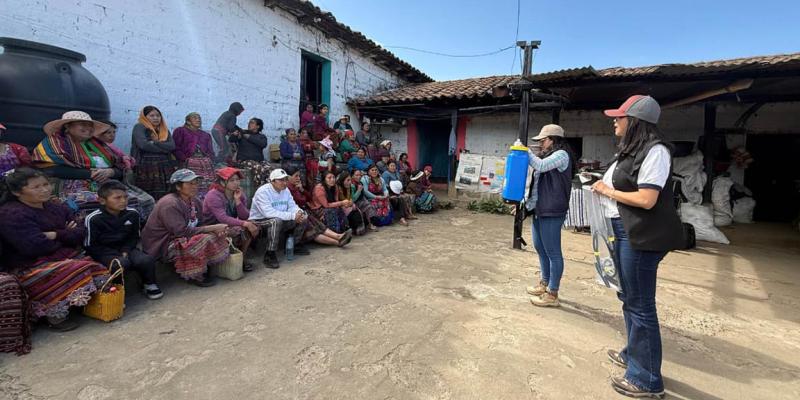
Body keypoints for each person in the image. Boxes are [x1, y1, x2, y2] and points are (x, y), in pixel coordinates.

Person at [592, 95, 683, 399]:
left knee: (641, 304)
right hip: (625, 230)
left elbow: (647, 199)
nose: (614, 121)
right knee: (628, 296)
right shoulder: (631, 151)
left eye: (619, 117)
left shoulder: (655, 151)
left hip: (641, 235)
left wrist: (608, 189)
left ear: (635, 122)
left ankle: (646, 380)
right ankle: (635, 355)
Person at [0, 168, 109, 331]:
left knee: (99, 261)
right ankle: (55, 316)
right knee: (80, 267)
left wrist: (54, 234)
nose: (45, 189)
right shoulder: (11, 214)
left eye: (46, 184)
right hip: (29, 265)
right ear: (17, 192)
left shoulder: (55, 206)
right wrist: (66, 235)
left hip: (60, 255)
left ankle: (82, 305)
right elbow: (34, 246)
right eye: (36, 187)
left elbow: (80, 231)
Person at [32, 111, 137, 222]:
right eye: (83, 124)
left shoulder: (97, 144)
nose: (88, 128)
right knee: (91, 206)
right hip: (70, 187)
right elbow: (49, 169)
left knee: (138, 201)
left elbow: (120, 167)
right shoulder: (54, 142)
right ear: (68, 126)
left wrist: (111, 172)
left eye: (90, 125)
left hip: (106, 185)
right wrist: (90, 174)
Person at [141, 169, 230, 287]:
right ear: (178, 186)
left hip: (181, 236)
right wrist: (213, 227)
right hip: (163, 244)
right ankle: (194, 274)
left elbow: (200, 224)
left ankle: (204, 267)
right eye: (190, 183)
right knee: (203, 239)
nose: (195, 186)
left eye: (196, 183)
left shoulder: (195, 201)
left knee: (216, 234)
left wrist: (215, 230)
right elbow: (181, 231)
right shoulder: (170, 204)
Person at [522, 124, 576, 308]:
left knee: (553, 251)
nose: (541, 144)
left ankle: (553, 293)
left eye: (543, 141)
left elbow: (541, 166)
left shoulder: (561, 156)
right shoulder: (548, 155)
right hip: (540, 208)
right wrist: (527, 205)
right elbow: (535, 185)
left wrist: (525, 151)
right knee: (540, 247)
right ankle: (544, 284)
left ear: (553, 140)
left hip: (553, 209)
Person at [84, 180, 162, 300]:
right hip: (104, 252)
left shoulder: (132, 214)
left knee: (145, 260)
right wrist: (116, 254)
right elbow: (90, 245)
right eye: (117, 198)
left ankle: (149, 284)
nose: (123, 201)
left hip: (126, 248)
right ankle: (117, 291)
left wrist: (126, 250)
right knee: (120, 264)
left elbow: (134, 237)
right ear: (102, 200)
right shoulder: (93, 219)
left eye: (125, 197)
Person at [249, 169, 309, 269]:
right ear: (272, 181)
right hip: (259, 221)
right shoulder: (262, 192)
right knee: (275, 221)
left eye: (286, 180)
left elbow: (292, 206)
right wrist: (292, 216)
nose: (285, 183)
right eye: (281, 180)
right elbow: (269, 213)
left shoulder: (285, 190)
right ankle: (270, 254)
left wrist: (299, 213)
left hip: (280, 218)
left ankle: (294, 245)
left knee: (304, 217)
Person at [95, 120, 155, 221]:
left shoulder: (110, 148)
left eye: (114, 132)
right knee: (140, 201)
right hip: (103, 182)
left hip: (118, 180)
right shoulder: (96, 148)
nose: (112, 135)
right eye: (108, 133)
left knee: (149, 199)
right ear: (98, 133)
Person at [202, 167, 259, 272]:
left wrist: (238, 201)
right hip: (213, 226)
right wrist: (245, 224)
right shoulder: (213, 195)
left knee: (254, 225)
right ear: (222, 182)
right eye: (232, 180)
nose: (236, 183)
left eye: (237, 179)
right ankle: (234, 259)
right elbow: (222, 218)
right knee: (243, 228)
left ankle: (241, 258)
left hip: (228, 224)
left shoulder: (238, 193)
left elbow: (245, 216)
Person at [286, 166, 351, 246]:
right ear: (288, 177)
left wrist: (302, 190)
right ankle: (337, 241)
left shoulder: (297, 186)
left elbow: (309, 198)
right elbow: (302, 200)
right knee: (315, 230)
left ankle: (339, 236)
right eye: (296, 176)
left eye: (333, 177)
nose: (298, 178)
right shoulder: (288, 188)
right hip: (300, 212)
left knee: (320, 226)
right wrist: (341, 203)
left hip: (304, 211)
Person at [130, 105, 177, 200]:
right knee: (149, 193)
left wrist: (155, 142)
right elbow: (143, 145)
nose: (156, 118)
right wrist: (164, 148)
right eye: (152, 115)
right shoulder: (139, 127)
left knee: (166, 192)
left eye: (158, 115)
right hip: (146, 166)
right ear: (145, 117)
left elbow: (172, 146)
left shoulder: (164, 130)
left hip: (164, 166)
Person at [173, 112, 215, 200]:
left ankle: (205, 201)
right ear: (188, 121)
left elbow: (210, 151)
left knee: (208, 184)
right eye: (195, 118)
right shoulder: (180, 131)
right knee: (191, 183)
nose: (198, 119)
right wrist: (184, 159)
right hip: (188, 162)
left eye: (199, 118)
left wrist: (210, 159)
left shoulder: (206, 135)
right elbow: (176, 147)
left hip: (205, 163)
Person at [231, 117, 271, 201]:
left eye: (252, 123)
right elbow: (231, 140)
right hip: (245, 161)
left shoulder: (261, 137)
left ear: (258, 126)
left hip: (259, 161)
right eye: (249, 122)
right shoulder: (242, 134)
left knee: (269, 169)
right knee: (258, 168)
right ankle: (259, 194)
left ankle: (268, 192)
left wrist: (248, 136)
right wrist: (234, 135)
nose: (249, 124)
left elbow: (263, 144)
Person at [336, 171, 367, 235]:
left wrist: (358, 191)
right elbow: (336, 201)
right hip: (340, 206)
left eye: (350, 180)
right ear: (342, 180)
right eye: (347, 180)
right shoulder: (337, 188)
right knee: (350, 210)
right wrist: (344, 203)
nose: (350, 182)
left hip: (349, 205)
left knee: (354, 209)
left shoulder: (351, 187)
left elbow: (353, 199)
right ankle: (353, 227)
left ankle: (357, 227)